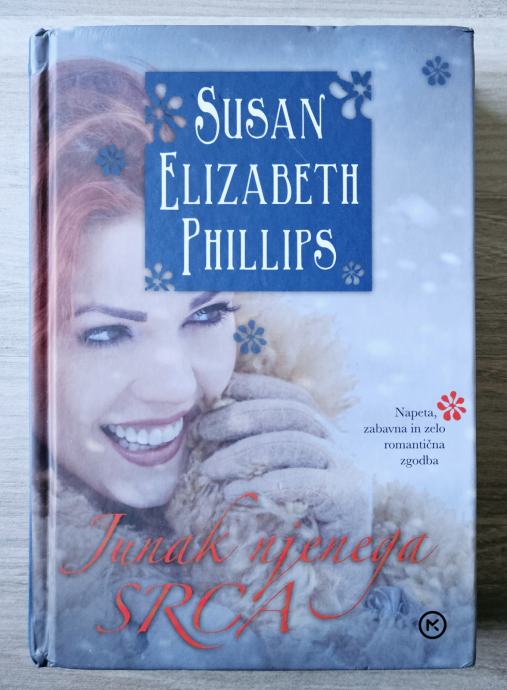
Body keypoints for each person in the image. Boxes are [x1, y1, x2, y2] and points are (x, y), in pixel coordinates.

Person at [30, 59, 474, 669]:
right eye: (106, 333)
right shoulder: (36, 596)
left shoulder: (314, 487)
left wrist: (344, 583)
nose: (176, 386)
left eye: (206, 314)